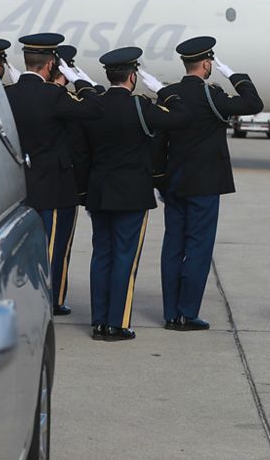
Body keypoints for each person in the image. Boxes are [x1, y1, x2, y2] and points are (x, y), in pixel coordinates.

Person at [81, 47, 190, 341]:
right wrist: (162, 90)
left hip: (100, 192)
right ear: (133, 76)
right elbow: (181, 117)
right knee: (124, 258)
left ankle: (99, 322)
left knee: (101, 256)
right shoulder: (140, 107)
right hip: (130, 194)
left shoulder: (95, 106)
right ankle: (118, 323)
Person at [155, 36, 263, 331]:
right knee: (199, 247)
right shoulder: (211, 96)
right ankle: (186, 313)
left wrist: (160, 179)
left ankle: (169, 312)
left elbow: (159, 140)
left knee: (173, 246)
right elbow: (254, 103)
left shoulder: (168, 94)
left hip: (174, 181)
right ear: (206, 64)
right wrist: (234, 75)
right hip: (204, 183)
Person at [5, 33, 103, 316]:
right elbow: (94, 108)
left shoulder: (9, 94)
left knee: (21, 248)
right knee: (55, 248)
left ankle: (22, 297)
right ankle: (51, 300)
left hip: (20, 185)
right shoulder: (54, 95)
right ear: (51, 65)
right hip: (56, 187)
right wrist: (79, 80)